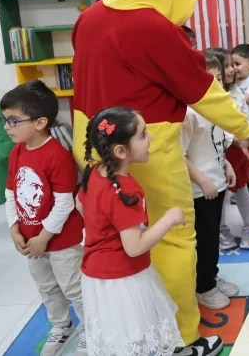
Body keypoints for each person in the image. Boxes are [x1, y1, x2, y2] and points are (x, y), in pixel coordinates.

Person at [72, 0, 249, 356]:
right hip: (148, 146)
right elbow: (203, 89)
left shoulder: (89, 18)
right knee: (174, 237)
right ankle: (181, 337)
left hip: (91, 141)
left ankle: (133, 330)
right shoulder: (153, 27)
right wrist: (245, 130)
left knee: (113, 235)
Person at [78, 107, 184, 356]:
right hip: (123, 279)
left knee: (118, 338)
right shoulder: (125, 191)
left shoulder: (94, 172)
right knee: (135, 338)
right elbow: (134, 247)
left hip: (97, 277)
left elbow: (80, 204)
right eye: (143, 135)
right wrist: (169, 219)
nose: (151, 138)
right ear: (121, 151)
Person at [1, 81, 86, 356]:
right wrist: (14, 229)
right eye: (5, 120)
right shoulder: (17, 151)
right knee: (47, 286)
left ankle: (91, 328)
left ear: (40, 122)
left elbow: (64, 203)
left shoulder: (57, 155)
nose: (7, 127)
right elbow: (11, 194)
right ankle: (62, 325)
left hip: (61, 240)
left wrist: (43, 238)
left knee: (73, 287)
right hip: (31, 240)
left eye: (13, 121)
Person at [183, 54, 239, 309]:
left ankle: (211, 276)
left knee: (213, 236)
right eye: (209, 79)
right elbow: (179, 154)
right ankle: (203, 287)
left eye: (219, 79)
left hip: (217, 182)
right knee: (205, 239)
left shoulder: (216, 109)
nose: (215, 85)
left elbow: (215, 144)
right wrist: (202, 180)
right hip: (199, 188)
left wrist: (226, 165)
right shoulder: (188, 113)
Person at [206, 48, 249, 252]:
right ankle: (222, 229)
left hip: (238, 150)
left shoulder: (236, 91)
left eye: (232, 65)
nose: (231, 70)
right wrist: (235, 140)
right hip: (218, 149)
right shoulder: (210, 97)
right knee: (221, 191)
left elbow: (246, 117)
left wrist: (248, 136)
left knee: (241, 187)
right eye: (226, 66)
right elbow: (217, 124)